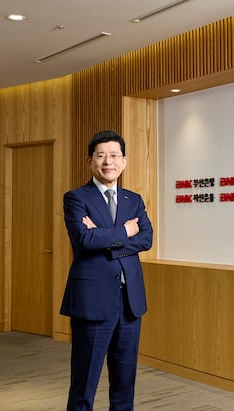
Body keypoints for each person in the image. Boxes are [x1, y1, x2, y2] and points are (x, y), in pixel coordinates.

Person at [60, 130, 153, 410]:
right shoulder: (76, 198)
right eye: (100, 156)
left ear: (124, 161)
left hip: (129, 304)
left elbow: (146, 239)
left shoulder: (133, 200)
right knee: (84, 384)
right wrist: (125, 231)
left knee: (125, 383)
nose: (107, 162)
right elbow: (84, 239)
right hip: (93, 302)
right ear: (90, 161)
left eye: (114, 156)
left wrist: (106, 239)